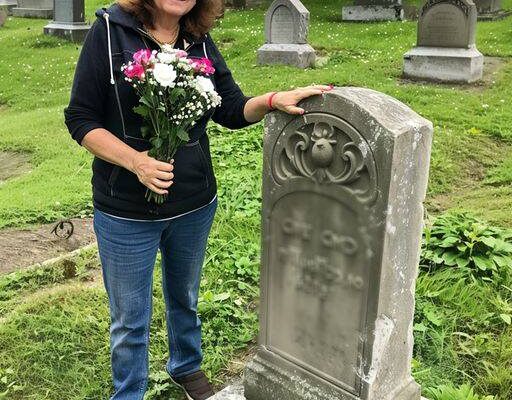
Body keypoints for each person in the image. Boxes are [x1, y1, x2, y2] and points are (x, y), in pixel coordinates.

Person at [63, 0, 332, 399]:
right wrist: (137, 162)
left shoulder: (197, 39)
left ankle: (186, 366)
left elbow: (231, 107)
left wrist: (273, 99)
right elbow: (81, 118)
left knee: (184, 296)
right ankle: (129, 392)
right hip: (125, 211)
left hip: (194, 203)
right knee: (129, 319)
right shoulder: (108, 32)